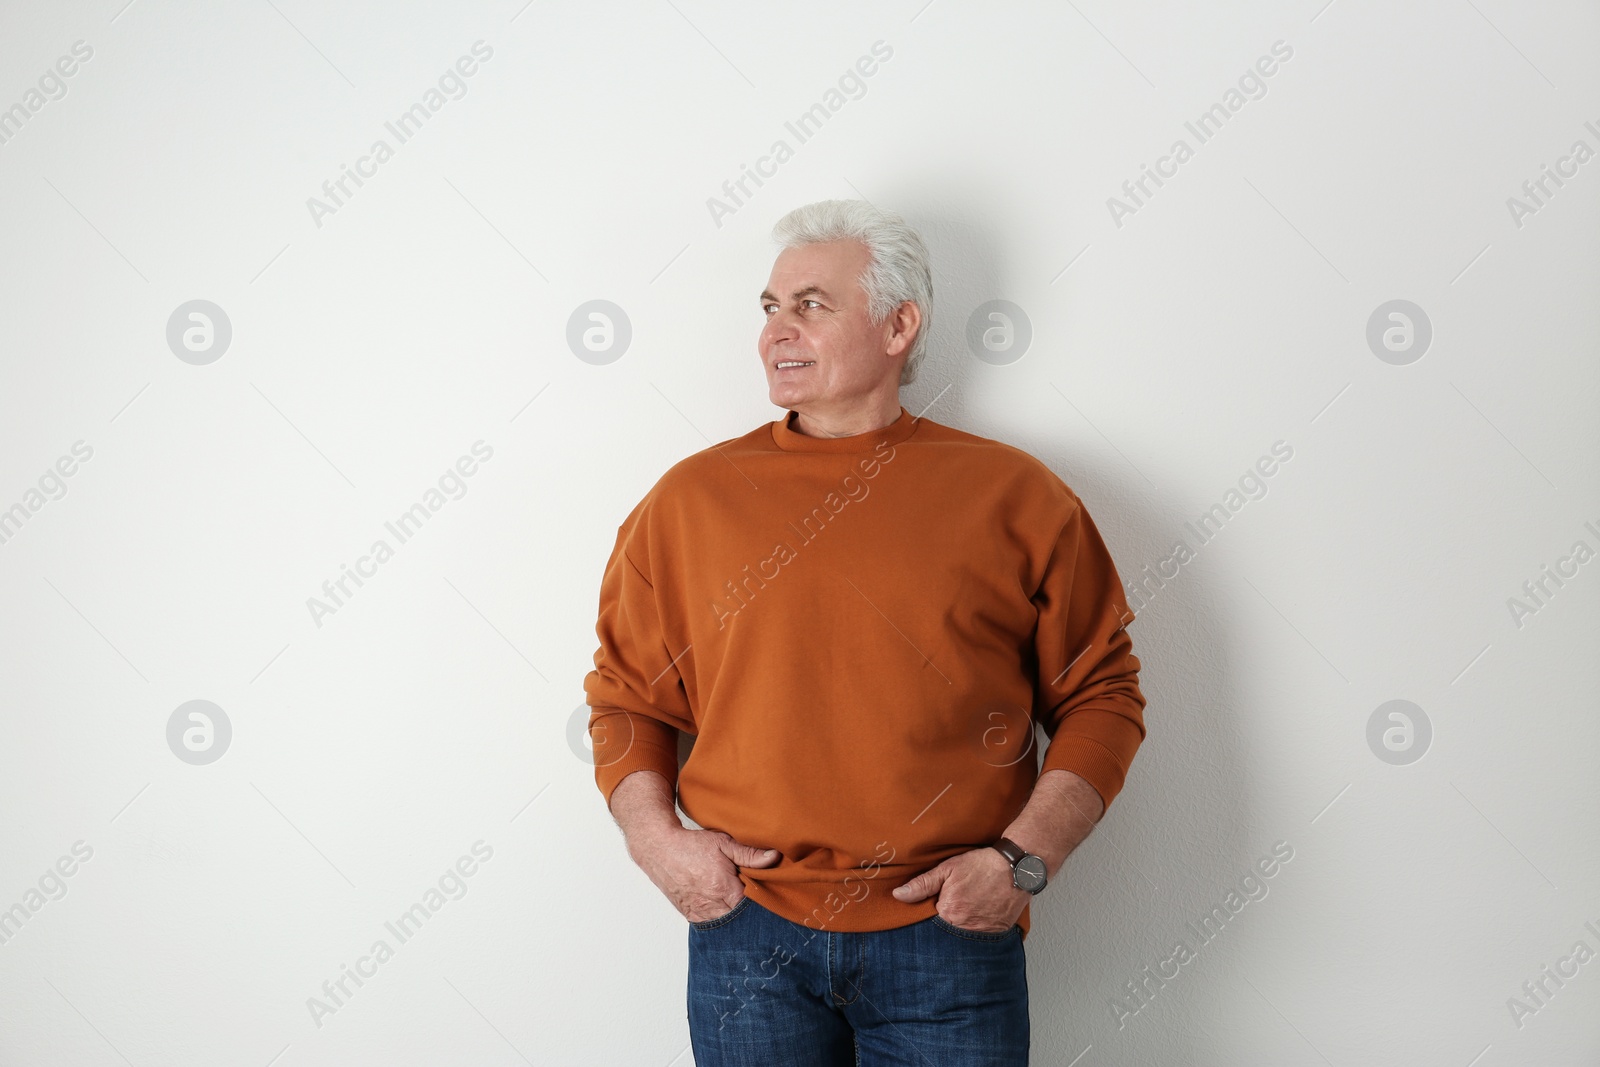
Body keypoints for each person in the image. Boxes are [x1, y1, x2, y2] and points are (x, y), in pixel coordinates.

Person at [584, 199, 1148, 1065]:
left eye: (811, 303)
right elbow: (626, 703)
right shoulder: (687, 502)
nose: (779, 330)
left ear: (900, 325)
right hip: (747, 931)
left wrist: (1022, 863)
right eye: (770, 308)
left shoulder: (1015, 495)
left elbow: (1102, 696)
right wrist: (660, 846)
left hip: (948, 932)